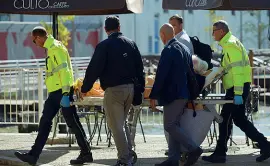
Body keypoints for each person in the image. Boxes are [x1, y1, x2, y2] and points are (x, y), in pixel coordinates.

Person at [14, 26, 92, 165]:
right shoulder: (51, 48)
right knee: (45, 122)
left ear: (38, 37)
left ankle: (86, 153)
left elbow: (65, 72)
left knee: (73, 123)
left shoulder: (55, 48)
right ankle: (33, 155)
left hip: (62, 92)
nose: (35, 44)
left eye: (34, 41)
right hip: (55, 93)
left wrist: (66, 93)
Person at [202, 20, 270, 163]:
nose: (212, 34)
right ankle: (221, 152)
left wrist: (237, 93)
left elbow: (237, 71)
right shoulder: (230, 42)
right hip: (237, 87)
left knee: (231, 119)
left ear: (221, 31)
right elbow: (230, 68)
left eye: (214, 31)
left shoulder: (230, 44)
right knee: (229, 119)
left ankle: (264, 145)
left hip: (237, 88)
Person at [79, 16, 145, 166]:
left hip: (114, 90)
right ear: (119, 27)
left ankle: (124, 159)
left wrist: (85, 88)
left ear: (105, 29)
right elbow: (140, 69)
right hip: (131, 90)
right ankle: (129, 153)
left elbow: (93, 69)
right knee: (122, 124)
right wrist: (139, 90)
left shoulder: (104, 46)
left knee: (116, 126)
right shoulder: (131, 44)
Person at [149, 23, 202, 166]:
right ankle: (173, 158)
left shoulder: (168, 50)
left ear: (162, 35)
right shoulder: (184, 48)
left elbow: (161, 75)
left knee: (170, 125)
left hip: (173, 94)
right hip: (184, 93)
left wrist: (153, 95)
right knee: (174, 124)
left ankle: (194, 149)